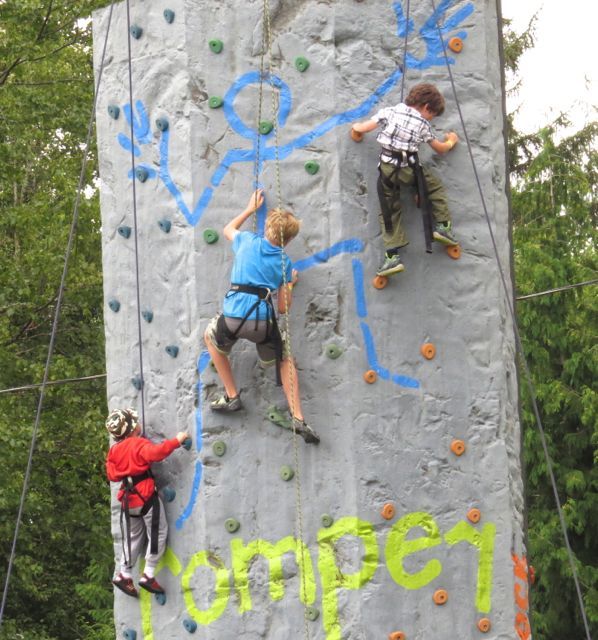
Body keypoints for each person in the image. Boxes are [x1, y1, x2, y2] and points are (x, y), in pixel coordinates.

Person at [203, 189, 319, 445]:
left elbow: (227, 229)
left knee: (210, 336)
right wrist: (289, 284)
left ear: (266, 227)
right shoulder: (285, 264)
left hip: (233, 318)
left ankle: (232, 395)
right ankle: (298, 415)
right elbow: (283, 308)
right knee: (284, 357)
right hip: (262, 325)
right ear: (288, 241)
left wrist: (249, 209)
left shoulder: (246, 240)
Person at [351, 82, 460, 277]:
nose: (431, 119)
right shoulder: (424, 125)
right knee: (434, 188)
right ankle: (443, 227)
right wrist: (451, 141)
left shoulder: (390, 112)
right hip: (410, 170)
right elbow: (440, 148)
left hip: (388, 171)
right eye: (432, 115)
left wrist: (356, 128)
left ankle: (392, 256)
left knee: (389, 210)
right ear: (427, 107)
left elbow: (366, 126)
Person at [105, 408, 190, 597]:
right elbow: (157, 453)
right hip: (145, 496)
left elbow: (111, 474)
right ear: (134, 427)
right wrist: (177, 440)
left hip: (128, 501)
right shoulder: (138, 444)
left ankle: (124, 573)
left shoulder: (113, 451)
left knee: (133, 536)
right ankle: (148, 573)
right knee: (158, 532)